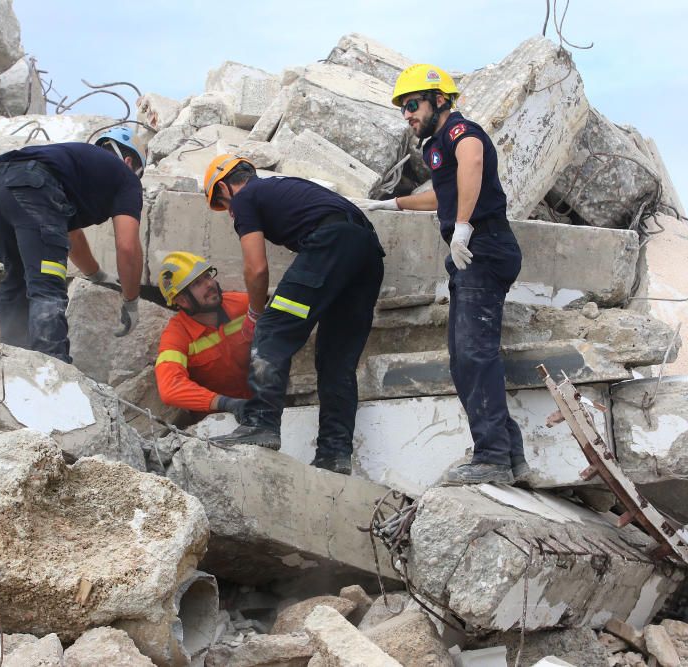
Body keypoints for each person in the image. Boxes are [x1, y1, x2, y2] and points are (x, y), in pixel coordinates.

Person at [367, 64, 526, 485]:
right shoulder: (436, 145)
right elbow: (444, 194)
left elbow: (473, 158)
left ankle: (493, 458)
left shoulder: (460, 132)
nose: (407, 114)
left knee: (475, 352)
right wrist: (393, 205)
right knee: (461, 358)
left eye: (412, 104)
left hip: (484, 249)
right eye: (403, 108)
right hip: (469, 254)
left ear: (439, 99)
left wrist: (463, 226)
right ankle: (509, 450)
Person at [204, 155, 385, 475]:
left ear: (224, 186)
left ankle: (261, 423)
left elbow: (256, 268)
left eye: (221, 201)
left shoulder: (245, 197)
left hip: (331, 244)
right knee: (336, 359)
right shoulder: (285, 188)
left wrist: (255, 314)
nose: (227, 210)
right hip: (367, 253)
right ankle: (334, 454)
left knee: (273, 330)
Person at [0, 127, 145, 363]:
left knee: (17, 278)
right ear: (129, 162)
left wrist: (97, 275)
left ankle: (12, 360)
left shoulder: (74, 164)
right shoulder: (126, 177)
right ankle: (50, 366)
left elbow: (70, 236)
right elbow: (128, 248)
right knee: (46, 284)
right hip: (33, 186)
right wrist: (131, 301)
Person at [154, 251, 252, 419]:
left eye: (207, 276)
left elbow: (286, 310)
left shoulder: (242, 304)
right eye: (197, 283)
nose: (209, 284)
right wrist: (225, 403)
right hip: (217, 420)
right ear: (182, 301)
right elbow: (170, 388)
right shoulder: (177, 335)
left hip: (264, 402)